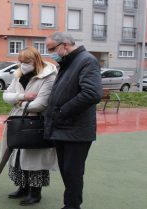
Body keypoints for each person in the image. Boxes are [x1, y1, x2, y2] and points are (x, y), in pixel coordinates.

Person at [44, 32, 103, 209]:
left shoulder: (87, 61)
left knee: (73, 172)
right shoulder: (68, 62)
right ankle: (69, 204)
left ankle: (72, 206)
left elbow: (92, 94)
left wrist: (62, 111)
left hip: (76, 130)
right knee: (67, 172)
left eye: (52, 49)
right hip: (63, 127)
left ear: (65, 45)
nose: (50, 54)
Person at [0, 47, 58, 206]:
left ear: (36, 61)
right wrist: (22, 97)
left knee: (34, 158)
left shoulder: (49, 77)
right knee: (18, 155)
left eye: (27, 62)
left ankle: (35, 192)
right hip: (18, 121)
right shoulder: (18, 75)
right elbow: (6, 95)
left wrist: (18, 102)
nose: (23, 64)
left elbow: (40, 104)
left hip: (35, 122)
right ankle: (23, 187)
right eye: (20, 61)